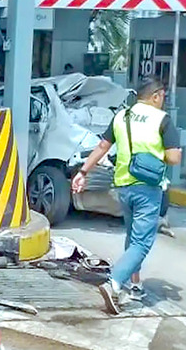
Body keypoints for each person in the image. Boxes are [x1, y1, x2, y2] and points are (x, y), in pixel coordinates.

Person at [72, 78, 182, 314]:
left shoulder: (122, 116)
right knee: (142, 243)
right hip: (148, 188)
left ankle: (135, 285)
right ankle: (114, 281)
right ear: (156, 96)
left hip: (123, 187)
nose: (163, 101)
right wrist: (154, 154)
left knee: (132, 238)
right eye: (163, 96)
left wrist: (82, 172)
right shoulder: (162, 120)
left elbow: (102, 146)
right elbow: (174, 158)